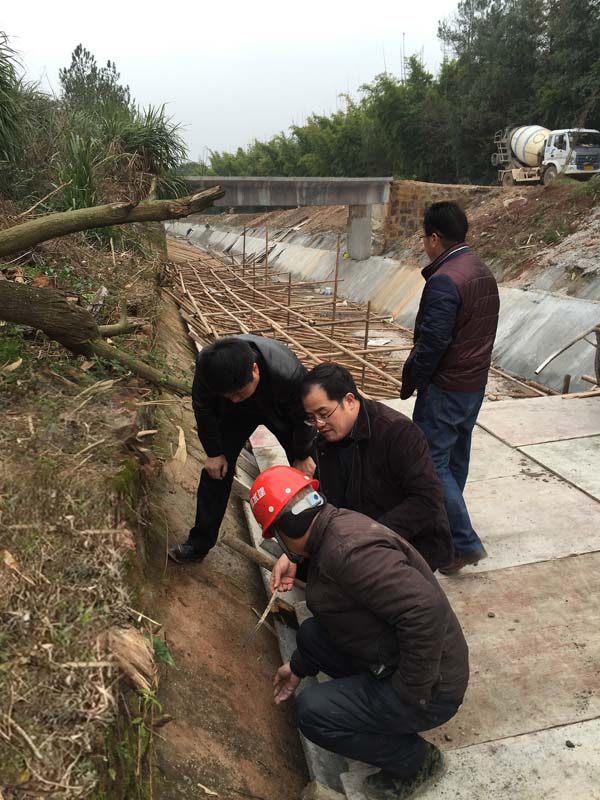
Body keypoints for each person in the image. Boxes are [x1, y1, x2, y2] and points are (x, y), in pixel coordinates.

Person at [250, 465, 469, 800]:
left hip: (432, 687)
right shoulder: (333, 529)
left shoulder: (349, 553)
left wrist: (407, 694)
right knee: (311, 635)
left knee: (313, 712)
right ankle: (377, 701)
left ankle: (416, 762)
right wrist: (296, 667)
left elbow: (425, 611)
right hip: (396, 656)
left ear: (285, 530)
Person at [401, 201, 499, 574]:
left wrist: (416, 379)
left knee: (430, 462)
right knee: (455, 458)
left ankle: (464, 541)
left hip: (446, 385)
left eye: (424, 238)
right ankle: (450, 539)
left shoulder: (445, 279)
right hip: (473, 383)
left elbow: (433, 342)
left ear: (435, 238)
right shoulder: (481, 270)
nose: (424, 245)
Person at [168, 335, 315, 562]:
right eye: (230, 395)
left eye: (238, 393)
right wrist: (214, 453)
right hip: (234, 416)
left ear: (255, 370)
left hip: (279, 407)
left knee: (309, 470)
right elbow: (203, 408)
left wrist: (303, 454)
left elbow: (305, 417)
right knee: (216, 472)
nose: (236, 398)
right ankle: (198, 544)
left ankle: (308, 548)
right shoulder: (209, 369)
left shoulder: (288, 373)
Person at [299, 361, 453, 572]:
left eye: (324, 413)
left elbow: (427, 500)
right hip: (356, 542)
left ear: (349, 400)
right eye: (311, 418)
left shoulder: (397, 432)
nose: (319, 424)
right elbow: (327, 502)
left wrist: (369, 535)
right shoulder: (324, 443)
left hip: (409, 544)